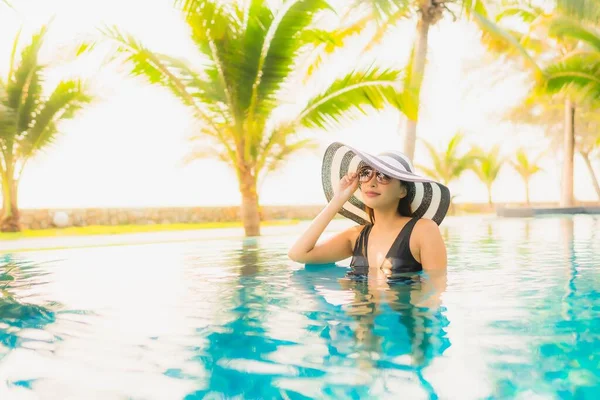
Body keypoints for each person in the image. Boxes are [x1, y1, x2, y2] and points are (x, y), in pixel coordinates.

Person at [288, 142, 451, 279]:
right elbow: (298, 254)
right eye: (366, 173)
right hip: (356, 316)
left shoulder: (424, 230)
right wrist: (337, 199)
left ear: (403, 191)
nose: (372, 182)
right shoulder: (356, 236)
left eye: (383, 176)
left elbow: (434, 293)